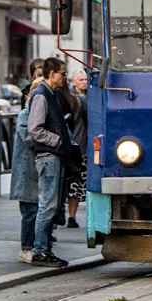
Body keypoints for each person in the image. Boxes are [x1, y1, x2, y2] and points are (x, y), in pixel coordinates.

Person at [25, 56, 74, 267]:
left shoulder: (49, 93)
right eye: (63, 73)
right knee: (48, 205)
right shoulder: (42, 94)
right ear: (52, 74)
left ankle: (44, 249)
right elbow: (34, 128)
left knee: (51, 204)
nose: (65, 77)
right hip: (48, 156)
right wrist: (57, 140)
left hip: (52, 156)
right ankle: (40, 251)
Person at [10, 64, 44, 263]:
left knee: (40, 210)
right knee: (30, 211)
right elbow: (30, 139)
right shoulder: (25, 114)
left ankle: (38, 247)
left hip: (38, 169)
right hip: (28, 171)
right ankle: (27, 249)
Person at [65, 70, 88, 228]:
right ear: (73, 82)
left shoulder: (84, 97)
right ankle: (70, 216)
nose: (84, 82)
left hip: (78, 146)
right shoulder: (76, 99)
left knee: (75, 184)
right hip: (77, 146)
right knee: (75, 183)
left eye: (85, 79)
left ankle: (70, 216)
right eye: (80, 79)